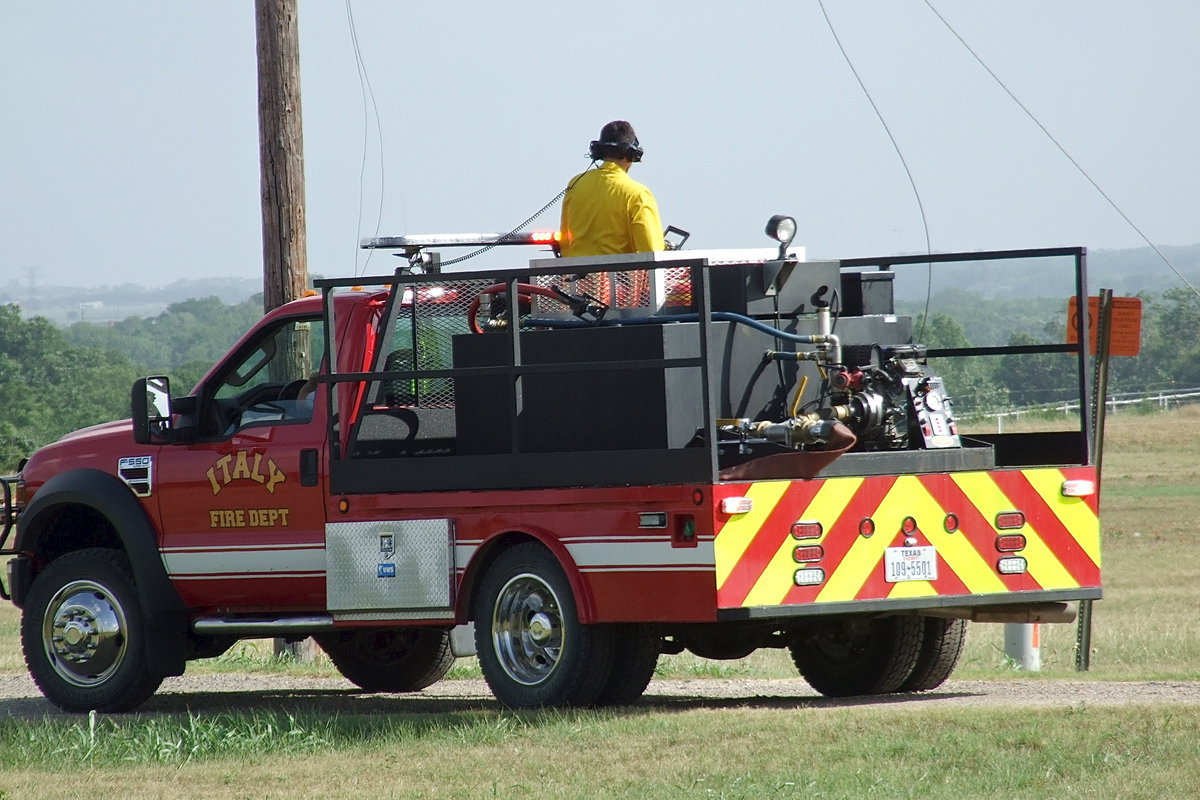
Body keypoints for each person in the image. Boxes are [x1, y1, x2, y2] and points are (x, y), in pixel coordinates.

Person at [559, 120, 665, 258]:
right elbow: (651, 249)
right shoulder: (637, 194)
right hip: (618, 278)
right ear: (633, 154)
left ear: (598, 152)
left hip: (578, 277)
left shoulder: (575, 184)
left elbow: (566, 242)